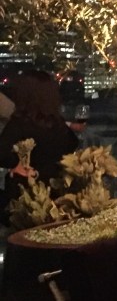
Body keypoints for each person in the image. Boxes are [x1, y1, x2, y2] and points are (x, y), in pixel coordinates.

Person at [0, 70, 79, 224]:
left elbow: (1, 152)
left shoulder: (20, 124)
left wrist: (16, 163)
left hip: (26, 198)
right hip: (55, 194)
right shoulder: (58, 124)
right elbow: (72, 144)